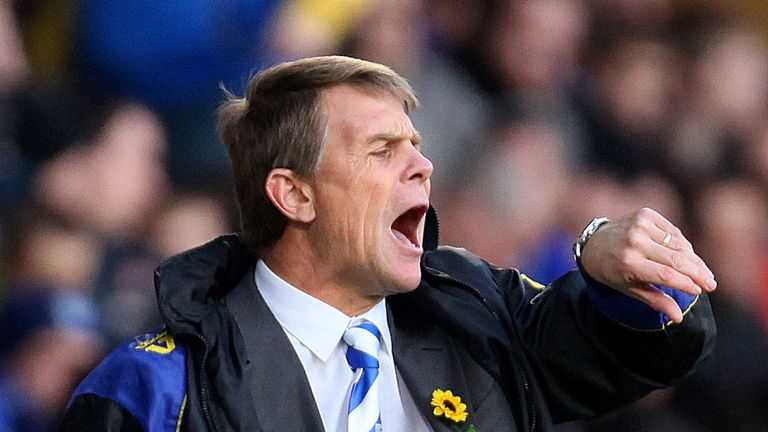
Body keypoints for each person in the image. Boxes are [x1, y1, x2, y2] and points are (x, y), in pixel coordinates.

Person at [59, 56, 716, 432]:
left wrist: (612, 259)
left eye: (417, 146)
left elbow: (644, 345)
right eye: (382, 150)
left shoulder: (481, 322)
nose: (423, 166)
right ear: (295, 195)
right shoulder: (155, 390)